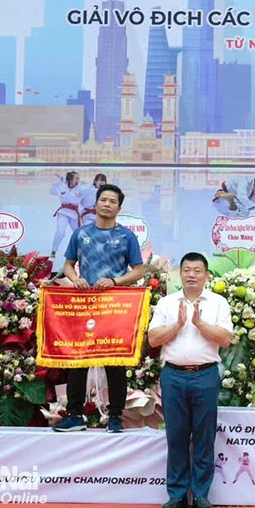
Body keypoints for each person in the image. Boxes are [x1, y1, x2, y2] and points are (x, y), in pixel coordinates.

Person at [53, 184, 144, 434]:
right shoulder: (81, 234)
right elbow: (68, 265)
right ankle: (75, 415)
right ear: (96, 203)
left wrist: (114, 281)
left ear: (119, 207)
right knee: (78, 360)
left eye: (112, 201)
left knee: (114, 361)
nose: (106, 204)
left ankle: (115, 416)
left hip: (114, 307)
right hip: (85, 305)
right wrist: (75, 279)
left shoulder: (127, 237)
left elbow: (138, 271)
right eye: (103, 199)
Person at [147, 252, 233, 508]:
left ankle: (201, 494)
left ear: (207, 275)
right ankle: (176, 493)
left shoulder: (218, 303)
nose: (192, 275)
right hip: (173, 375)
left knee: (204, 437)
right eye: (187, 270)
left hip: (205, 375)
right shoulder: (166, 303)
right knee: (176, 436)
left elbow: (225, 339)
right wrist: (179, 324)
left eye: (197, 270)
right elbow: (153, 339)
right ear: (179, 274)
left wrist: (199, 323)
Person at [214, 175, 255, 244]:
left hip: (234, 199)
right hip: (222, 198)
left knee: (242, 215)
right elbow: (242, 197)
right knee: (243, 215)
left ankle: (231, 200)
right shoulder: (244, 181)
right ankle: (229, 199)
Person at [49, 171, 82, 258]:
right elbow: (52, 192)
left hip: (75, 214)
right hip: (63, 212)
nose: (78, 180)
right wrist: (59, 181)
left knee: (79, 233)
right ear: (70, 179)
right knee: (60, 232)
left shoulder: (81, 188)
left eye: (79, 178)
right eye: (76, 178)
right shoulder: (62, 187)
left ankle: (81, 251)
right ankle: (53, 251)